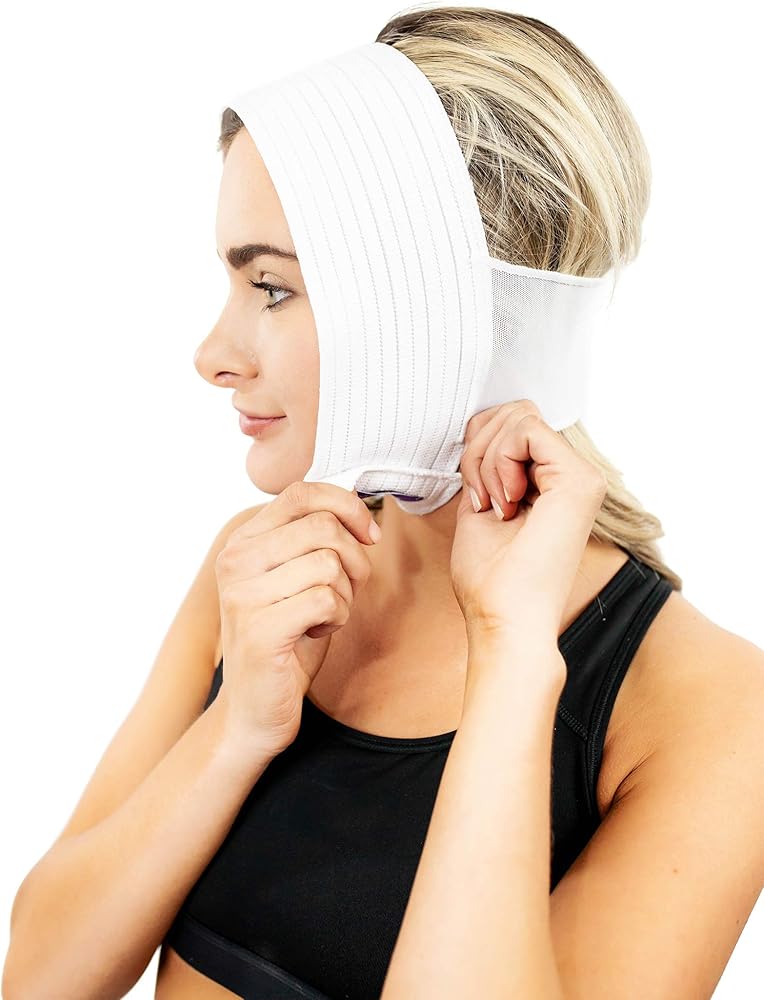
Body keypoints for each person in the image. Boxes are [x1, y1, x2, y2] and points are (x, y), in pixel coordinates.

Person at [4, 9, 763, 1000]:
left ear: (442, 312)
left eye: (272, 287)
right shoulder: (265, 563)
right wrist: (236, 730)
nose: (212, 354)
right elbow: (39, 979)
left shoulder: (712, 708)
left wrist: (511, 660)